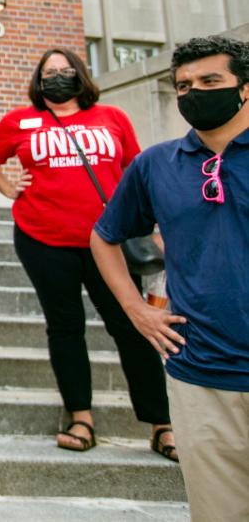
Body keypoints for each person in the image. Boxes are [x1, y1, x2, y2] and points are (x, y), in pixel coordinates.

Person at [0, 48, 173, 457]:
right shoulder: (19, 121)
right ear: (38, 80)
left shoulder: (111, 117)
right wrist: (11, 190)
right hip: (43, 238)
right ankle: (80, 417)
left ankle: (161, 423)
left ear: (81, 76)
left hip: (110, 243)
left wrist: (156, 224)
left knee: (132, 327)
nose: (58, 77)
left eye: (66, 71)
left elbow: (136, 171)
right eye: (50, 72)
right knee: (65, 328)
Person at [91, 35, 249, 519]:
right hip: (201, 375)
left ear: (244, 87)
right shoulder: (155, 164)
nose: (193, 93)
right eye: (182, 85)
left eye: (210, 81)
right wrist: (136, 310)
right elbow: (105, 237)